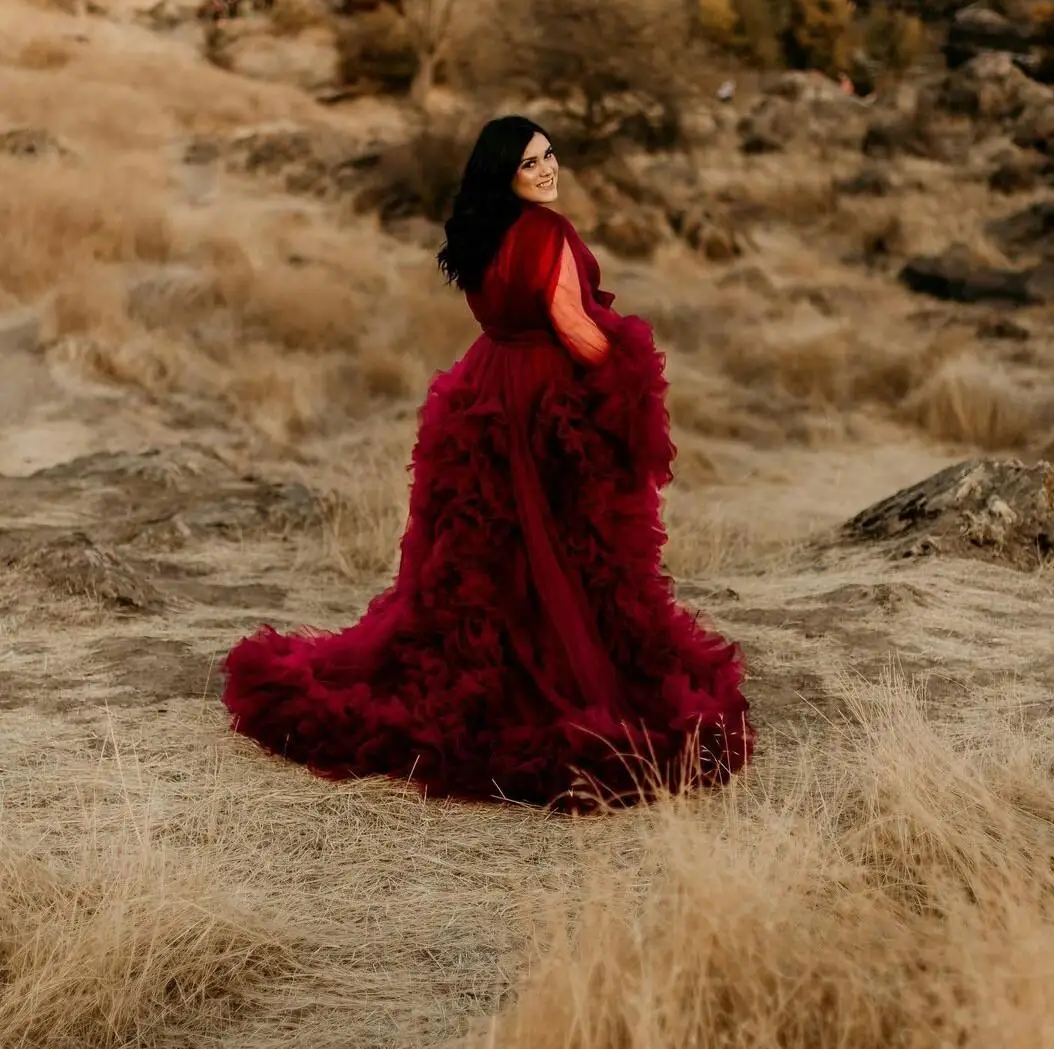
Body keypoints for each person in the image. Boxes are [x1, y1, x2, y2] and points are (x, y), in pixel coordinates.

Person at [221, 117, 753, 812]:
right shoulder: (547, 233)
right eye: (531, 161)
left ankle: (501, 664)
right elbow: (573, 326)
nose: (547, 169)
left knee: (491, 546)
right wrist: (622, 362)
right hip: (543, 399)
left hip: (488, 386)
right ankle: (556, 673)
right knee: (558, 540)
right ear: (505, 171)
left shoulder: (484, 233)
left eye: (551, 155)